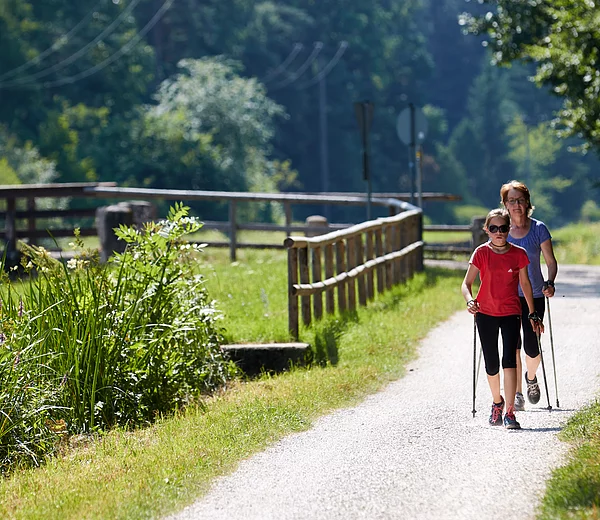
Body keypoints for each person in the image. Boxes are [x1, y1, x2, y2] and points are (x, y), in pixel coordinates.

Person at [461, 208, 544, 429]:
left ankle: (509, 412)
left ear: (509, 229)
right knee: (491, 363)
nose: (499, 232)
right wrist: (470, 300)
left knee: (509, 360)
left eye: (503, 228)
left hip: (510, 312)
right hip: (485, 313)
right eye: (494, 228)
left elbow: (525, 284)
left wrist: (532, 311)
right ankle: (496, 403)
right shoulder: (480, 253)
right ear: (486, 230)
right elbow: (466, 283)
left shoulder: (518, 254)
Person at [500, 180, 558, 411]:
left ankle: (531, 377)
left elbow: (550, 262)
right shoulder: (500, 229)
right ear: (505, 204)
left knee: (532, 347)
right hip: (508, 297)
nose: (516, 205)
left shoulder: (538, 229)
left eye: (520, 200)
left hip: (534, 295)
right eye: (511, 201)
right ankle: (516, 395)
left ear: (527, 203)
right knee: (512, 346)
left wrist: (550, 282)